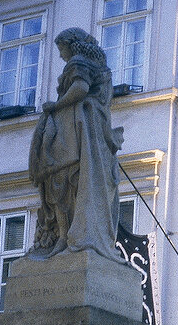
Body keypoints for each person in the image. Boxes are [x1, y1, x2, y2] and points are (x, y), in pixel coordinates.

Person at [29, 28, 124, 261]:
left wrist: (56, 104)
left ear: (70, 45)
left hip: (76, 127)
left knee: (62, 180)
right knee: (78, 183)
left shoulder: (78, 62)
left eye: (61, 49)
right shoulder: (100, 67)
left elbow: (80, 88)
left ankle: (66, 236)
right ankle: (69, 236)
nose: (61, 55)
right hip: (92, 130)